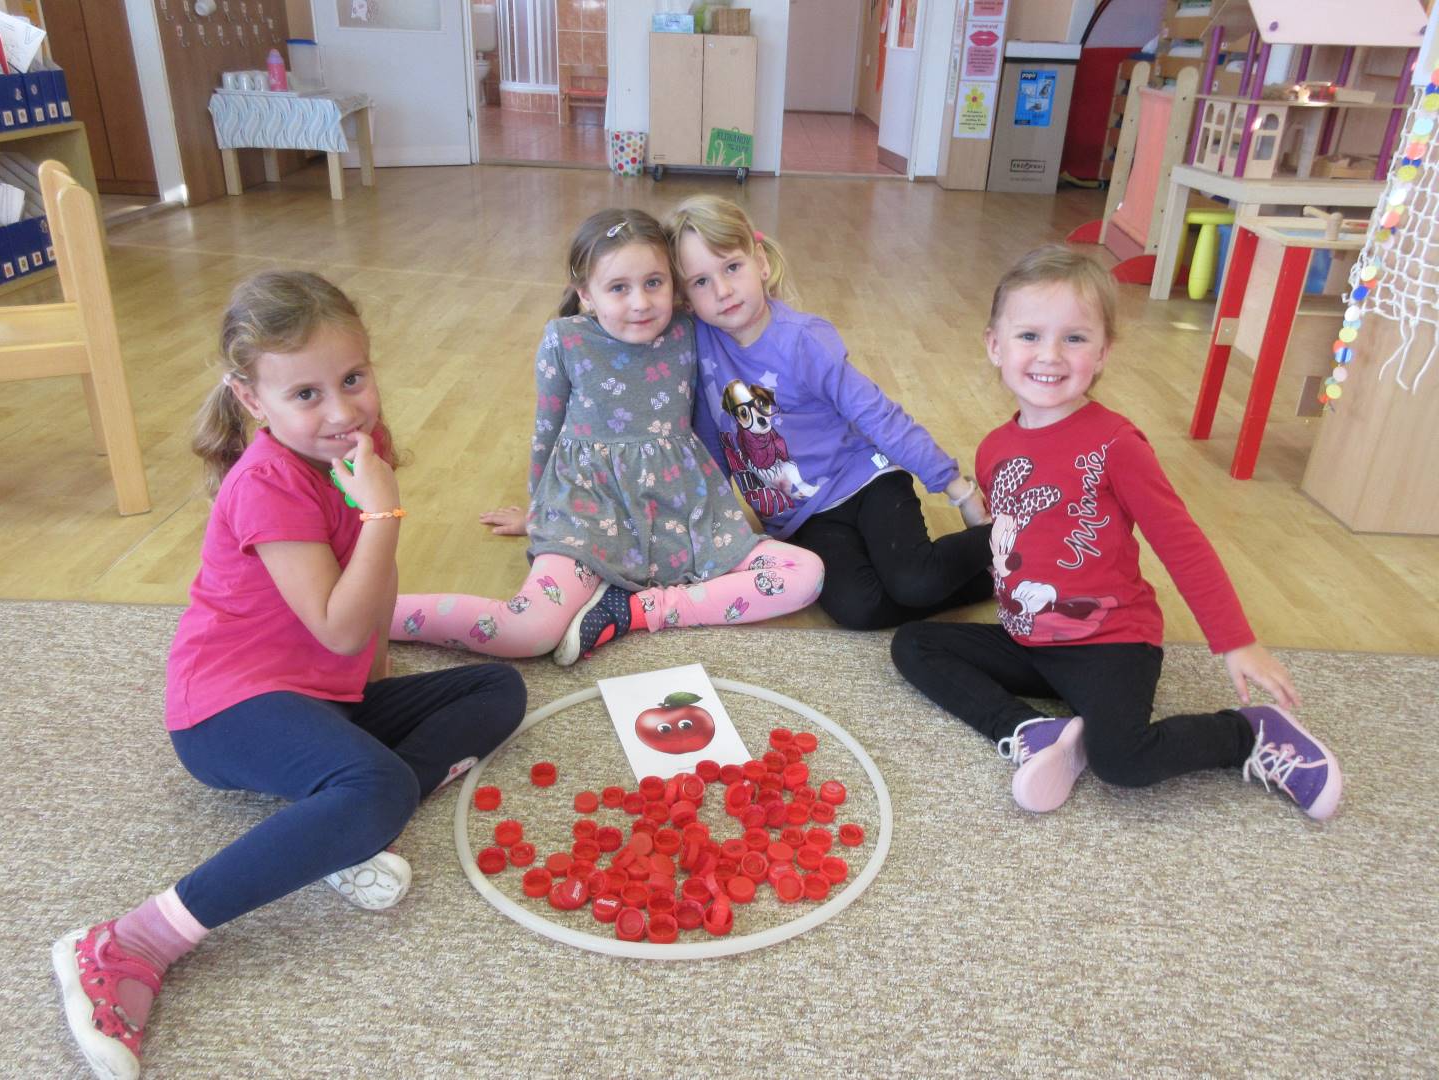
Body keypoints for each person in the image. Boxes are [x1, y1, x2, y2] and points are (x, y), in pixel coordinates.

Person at [52, 271, 527, 1079]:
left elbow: (367, 609)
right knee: (376, 785)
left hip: (317, 695)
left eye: (353, 379)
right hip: (222, 709)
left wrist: (373, 681)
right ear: (252, 399)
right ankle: (128, 941)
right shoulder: (269, 484)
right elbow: (338, 620)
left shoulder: (355, 453)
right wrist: (383, 514)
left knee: (497, 690)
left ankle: (346, 825)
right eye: (307, 394)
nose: (342, 411)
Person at [890, 246, 1341, 819]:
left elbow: (1182, 545)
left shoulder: (1117, 445)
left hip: (1111, 642)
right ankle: (1031, 730)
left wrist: (1235, 641)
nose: (1050, 355)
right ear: (995, 346)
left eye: (1075, 338)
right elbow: (1011, 535)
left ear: (1103, 352)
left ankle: (1248, 734)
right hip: (1030, 638)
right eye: (1029, 335)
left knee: (1123, 760)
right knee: (914, 644)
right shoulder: (995, 448)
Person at [394, 209, 823, 664]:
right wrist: (539, 515)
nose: (640, 302)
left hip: (682, 516)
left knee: (805, 572)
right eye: (619, 288)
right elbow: (545, 432)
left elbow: (743, 344)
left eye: (654, 283)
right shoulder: (564, 340)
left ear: (674, 284)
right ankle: (379, 615)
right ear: (585, 294)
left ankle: (637, 610)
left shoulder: (688, 330)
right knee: (527, 631)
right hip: (585, 516)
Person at [666, 194, 993, 632]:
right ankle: (988, 581)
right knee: (859, 609)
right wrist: (702, 529)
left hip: (867, 481)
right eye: (701, 282)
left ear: (759, 262)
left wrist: (961, 493)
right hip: (804, 517)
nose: (722, 291)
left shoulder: (803, 340)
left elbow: (880, 416)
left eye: (732, 267)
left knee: (913, 581)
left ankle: (1003, 537)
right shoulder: (699, 344)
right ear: (686, 298)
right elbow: (712, 443)